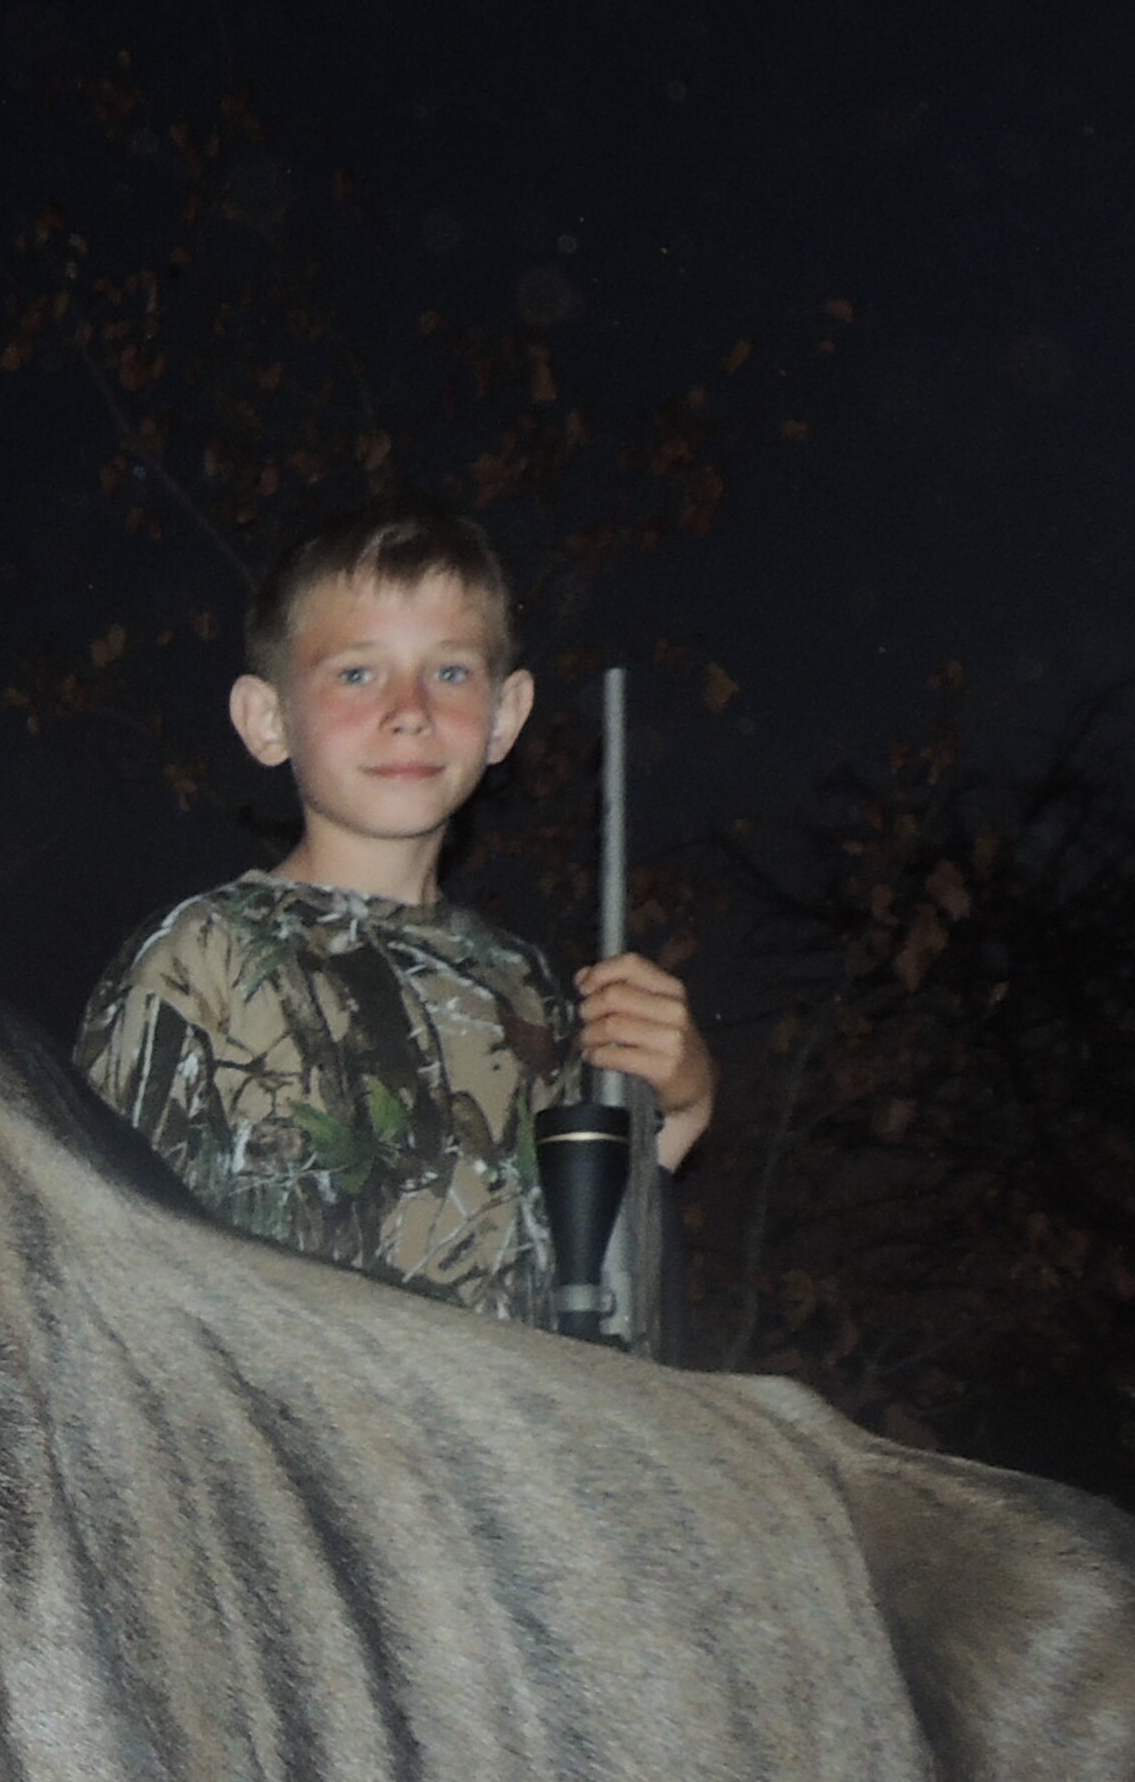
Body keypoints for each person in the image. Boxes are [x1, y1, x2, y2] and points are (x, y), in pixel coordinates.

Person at [71, 501, 714, 1349]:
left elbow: (596, 1266)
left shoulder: (528, 990)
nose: (409, 709)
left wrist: (685, 1099)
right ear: (268, 720)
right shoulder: (199, 960)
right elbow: (90, 1274)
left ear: (505, 717)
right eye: (356, 673)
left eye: (450, 673)